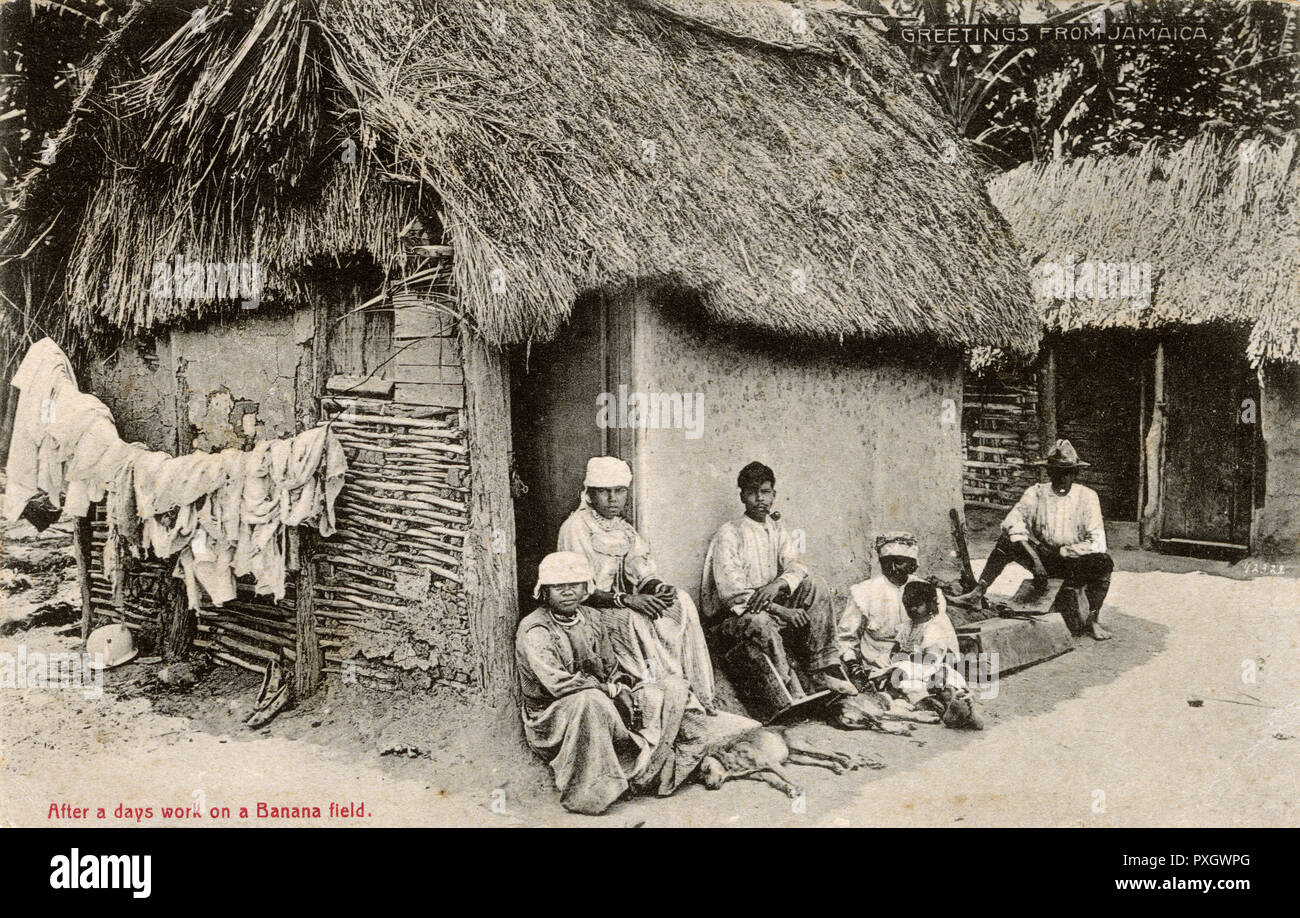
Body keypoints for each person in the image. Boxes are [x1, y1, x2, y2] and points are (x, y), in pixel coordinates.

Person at [557, 456, 715, 709]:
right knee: (633, 620)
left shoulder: (624, 529)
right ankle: (655, 695)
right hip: (591, 609)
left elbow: (640, 569)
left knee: (681, 602)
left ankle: (691, 690)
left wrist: (657, 587)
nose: (613, 499)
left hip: (623, 603)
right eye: (605, 492)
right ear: (590, 494)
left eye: (619, 491)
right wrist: (627, 600)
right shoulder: (576, 527)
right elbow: (576, 590)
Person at [702, 461, 855, 711]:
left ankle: (821, 668)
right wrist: (783, 611)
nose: (760, 499)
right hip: (734, 619)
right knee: (760, 621)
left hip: (768, 603)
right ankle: (787, 684)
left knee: (815, 584)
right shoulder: (729, 533)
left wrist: (778, 585)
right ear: (742, 495)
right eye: (752, 492)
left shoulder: (776, 527)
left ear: (774, 494)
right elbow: (734, 593)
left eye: (765, 492)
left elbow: (796, 564)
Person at [949, 439, 1113, 640]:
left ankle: (1093, 620)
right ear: (1049, 472)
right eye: (1055, 472)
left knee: (1103, 562)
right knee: (1006, 542)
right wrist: (1034, 559)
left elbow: (1097, 542)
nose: (1061, 478)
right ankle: (978, 593)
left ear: (1075, 473)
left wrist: (1065, 552)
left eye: (1067, 473)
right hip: (1044, 558)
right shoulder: (1036, 493)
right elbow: (1012, 522)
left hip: (1074, 562)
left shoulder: (1087, 497)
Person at [837, 531, 949, 690]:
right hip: (876, 667)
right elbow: (846, 639)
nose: (893, 568)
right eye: (886, 562)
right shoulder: (863, 592)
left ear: (912, 564)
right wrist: (854, 667)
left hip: (921, 664)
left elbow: (942, 636)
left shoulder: (929, 592)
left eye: (899, 561)